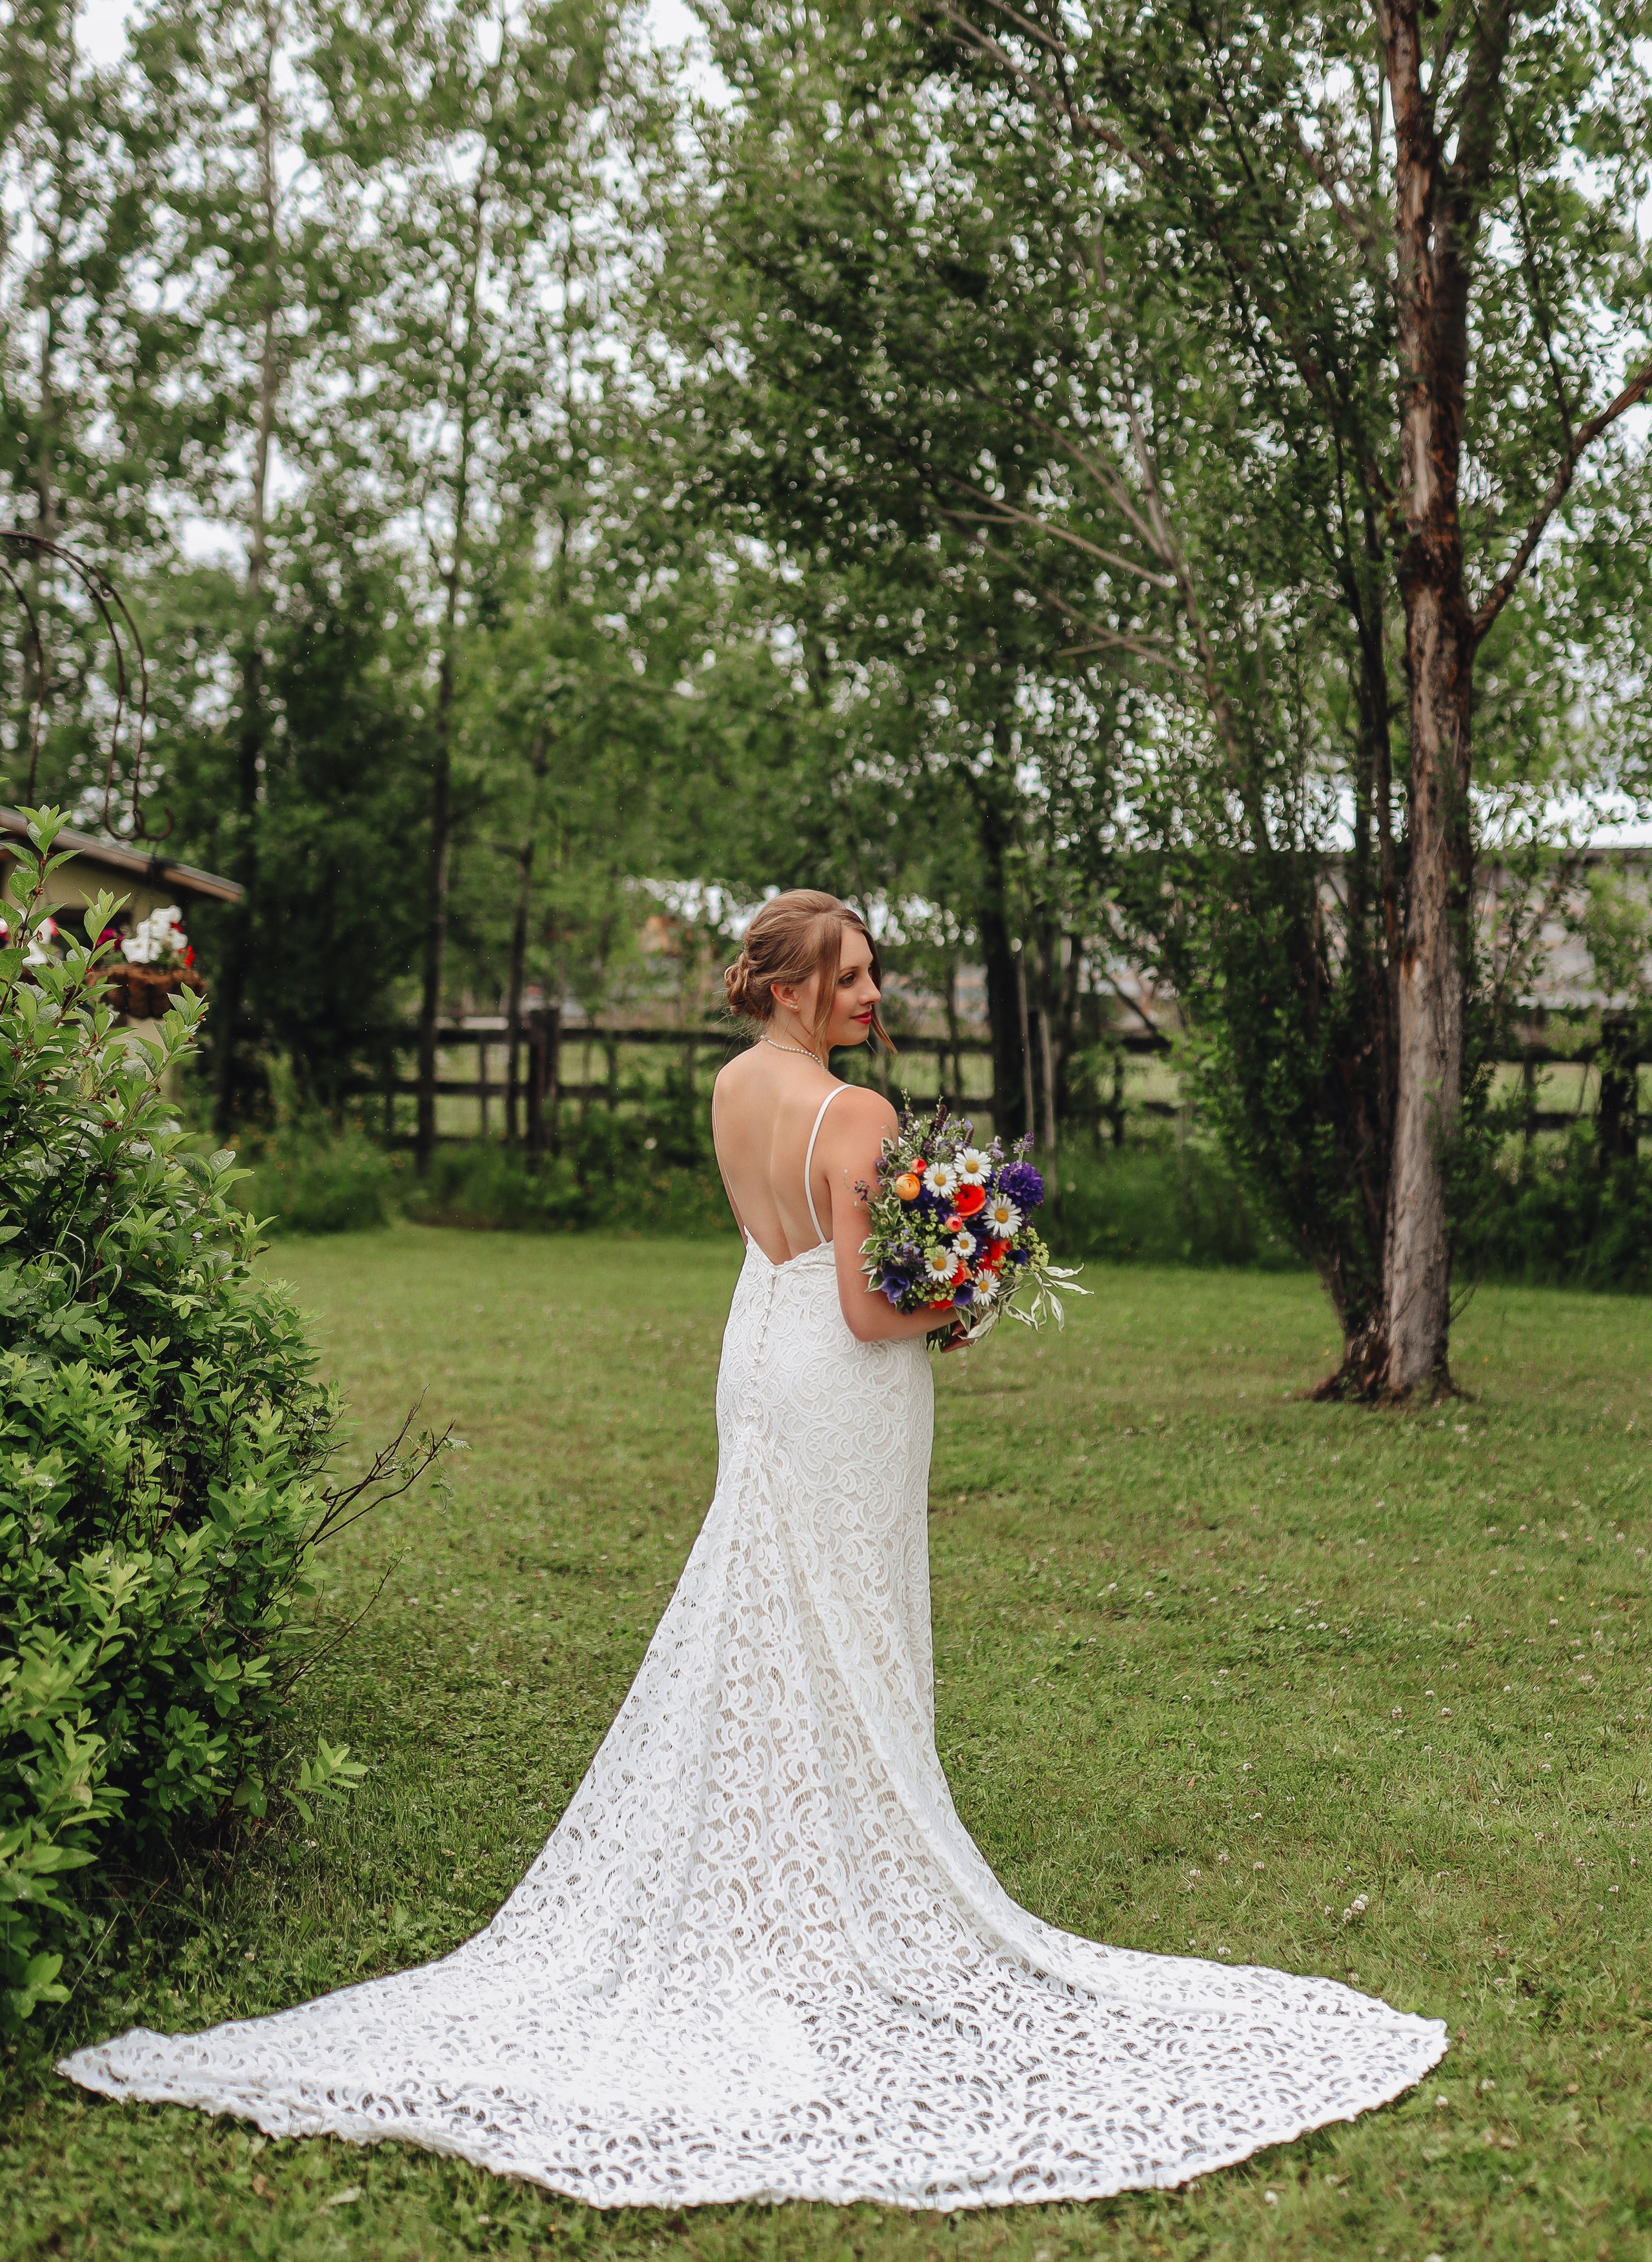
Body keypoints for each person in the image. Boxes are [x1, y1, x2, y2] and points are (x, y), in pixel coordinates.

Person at [61, 888, 1444, 2207]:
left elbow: (785, 1253)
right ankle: (843, 1873)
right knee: (844, 1606)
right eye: (849, 976)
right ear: (788, 989)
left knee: (772, 1601)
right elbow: (867, 1309)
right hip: (839, 1382)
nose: (871, 992)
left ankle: (780, 1850)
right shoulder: (859, 1112)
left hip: (754, 1362)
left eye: (869, 972)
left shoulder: (730, 1087)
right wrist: (968, 1293)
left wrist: (940, 1269)